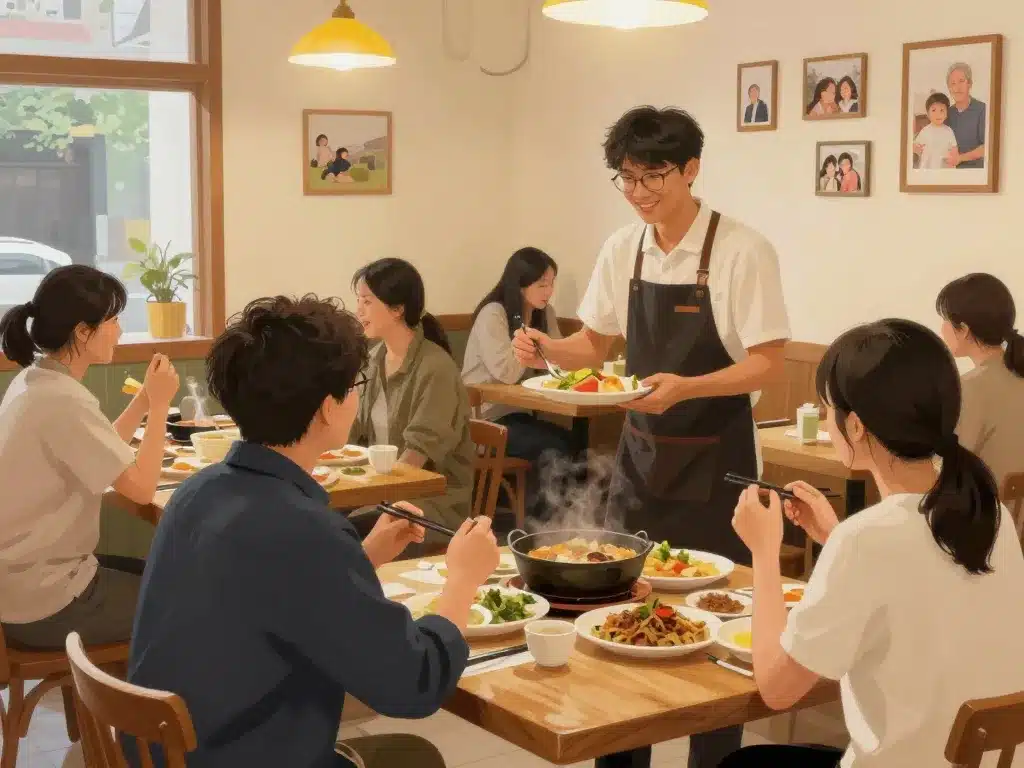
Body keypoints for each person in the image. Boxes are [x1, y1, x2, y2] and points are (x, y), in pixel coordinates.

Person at [513, 105, 791, 768]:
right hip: (640, 458)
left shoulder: (741, 250)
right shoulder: (623, 247)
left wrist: (686, 387)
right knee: (615, 614)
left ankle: (714, 759)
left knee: (718, 628)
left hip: (717, 461)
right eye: (627, 178)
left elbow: (769, 360)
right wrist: (547, 348)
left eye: (654, 176)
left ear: (691, 169)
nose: (639, 192)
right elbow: (594, 345)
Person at [126, 294, 501, 768]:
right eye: (354, 385)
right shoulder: (302, 531)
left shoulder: (196, 492)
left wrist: (364, 555)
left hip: (168, 753)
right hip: (240, 755)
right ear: (328, 408)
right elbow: (413, 685)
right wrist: (463, 581)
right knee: (414, 757)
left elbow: (273, 598)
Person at [725, 318, 1024, 767]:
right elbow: (920, 582)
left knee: (745, 763)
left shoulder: (866, 542)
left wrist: (764, 554)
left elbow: (776, 688)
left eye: (827, 408)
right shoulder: (990, 514)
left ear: (857, 426)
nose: (826, 420)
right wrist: (833, 534)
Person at [0, 265, 178, 649]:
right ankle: (148, 706)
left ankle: (121, 701)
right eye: (113, 320)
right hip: (46, 602)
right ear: (83, 330)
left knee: (169, 576)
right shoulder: (63, 399)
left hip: (22, 584)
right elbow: (142, 490)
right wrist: (161, 406)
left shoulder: (36, 380)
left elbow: (101, 448)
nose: (118, 329)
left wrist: (144, 400)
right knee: (189, 602)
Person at [349, 258, 474, 550]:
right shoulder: (373, 361)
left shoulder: (436, 368)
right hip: (385, 494)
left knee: (340, 534)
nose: (359, 311)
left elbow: (415, 459)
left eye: (367, 301)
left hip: (433, 506)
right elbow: (353, 437)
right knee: (315, 519)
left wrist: (364, 495)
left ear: (397, 308)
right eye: (358, 301)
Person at [936, 273, 1024, 488]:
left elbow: (945, 468)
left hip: (987, 517)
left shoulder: (969, 388)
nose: (942, 329)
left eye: (945, 320)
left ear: (964, 330)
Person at [943, 62, 987, 169]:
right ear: (949, 88)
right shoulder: (946, 113)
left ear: (970, 83)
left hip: (977, 173)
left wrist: (960, 158)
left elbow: (987, 147)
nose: (957, 88)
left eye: (961, 81)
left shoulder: (982, 109)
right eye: (953, 84)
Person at [913, 92, 958, 169]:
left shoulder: (948, 131)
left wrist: (953, 158)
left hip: (944, 168)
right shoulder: (925, 130)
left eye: (942, 110)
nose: (938, 114)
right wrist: (916, 148)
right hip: (928, 167)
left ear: (947, 113)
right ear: (928, 114)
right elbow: (915, 146)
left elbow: (954, 148)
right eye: (934, 110)